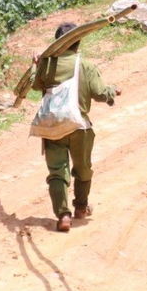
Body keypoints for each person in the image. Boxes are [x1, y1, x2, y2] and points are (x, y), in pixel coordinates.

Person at [32, 23, 119, 232]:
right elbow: (100, 93)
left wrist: (37, 64)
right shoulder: (85, 65)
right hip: (80, 127)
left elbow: (36, 86)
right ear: (77, 43)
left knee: (57, 172)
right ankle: (81, 207)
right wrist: (114, 91)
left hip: (52, 126)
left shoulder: (48, 64)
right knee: (83, 169)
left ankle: (63, 215)